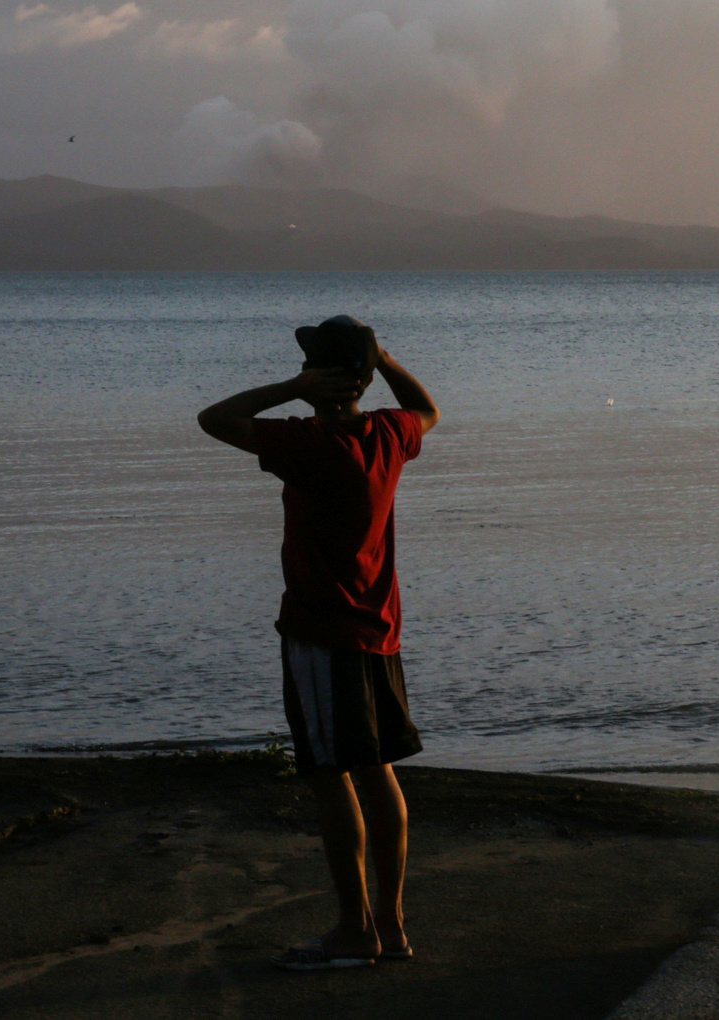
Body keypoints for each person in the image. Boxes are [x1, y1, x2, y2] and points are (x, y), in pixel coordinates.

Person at [196, 315, 441, 972]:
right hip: (379, 632)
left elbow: (213, 419)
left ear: (317, 375)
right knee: (378, 773)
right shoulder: (389, 434)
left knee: (333, 780)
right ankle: (389, 927)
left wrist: (290, 389)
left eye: (308, 366)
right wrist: (384, 361)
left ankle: (355, 932)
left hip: (322, 635)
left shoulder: (309, 441)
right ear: (365, 377)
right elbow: (428, 410)